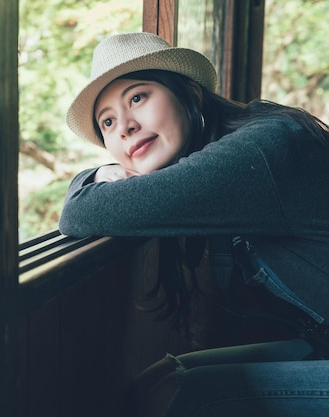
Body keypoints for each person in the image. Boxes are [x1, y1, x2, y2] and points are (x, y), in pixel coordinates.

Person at [58, 32, 329, 417]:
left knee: (182, 395)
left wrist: (97, 178)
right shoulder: (232, 150)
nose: (125, 126)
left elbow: (79, 213)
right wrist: (103, 171)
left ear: (191, 93)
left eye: (138, 97)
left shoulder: (261, 148)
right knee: (162, 377)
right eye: (107, 122)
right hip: (320, 341)